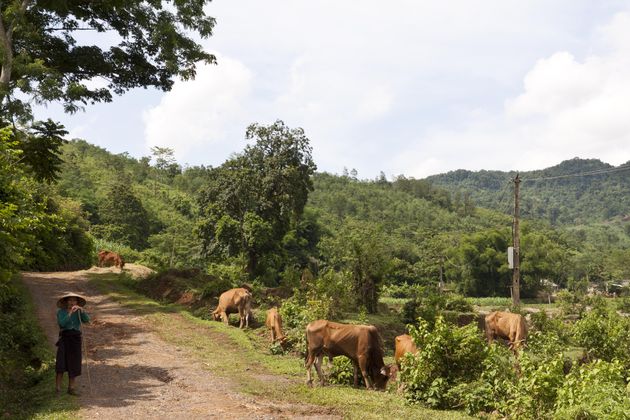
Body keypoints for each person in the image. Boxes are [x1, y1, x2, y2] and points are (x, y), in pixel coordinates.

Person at [55, 292, 90, 396]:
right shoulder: (61, 312)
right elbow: (62, 324)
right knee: (61, 363)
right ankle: (57, 389)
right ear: (66, 302)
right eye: (70, 300)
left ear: (77, 302)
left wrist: (82, 312)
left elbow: (87, 320)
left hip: (75, 338)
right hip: (65, 337)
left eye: (74, 300)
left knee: (74, 363)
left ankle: (71, 388)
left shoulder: (79, 312)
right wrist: (70, 313)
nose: (72, 302)